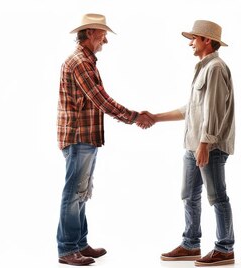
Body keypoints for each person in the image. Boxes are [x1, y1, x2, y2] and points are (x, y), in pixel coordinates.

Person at [56, 13, 154, 266]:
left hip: (85, 137)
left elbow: (98, 101)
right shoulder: (80, 62)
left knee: (80, 192)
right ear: (89, 33)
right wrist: (135, 117)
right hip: (79, 137)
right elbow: (101, 100)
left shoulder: (86, 60)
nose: (105, 41)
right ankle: (67, 250)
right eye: (103, 35)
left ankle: (79, 243)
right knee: (73, 193)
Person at [151, 20, 236, 267]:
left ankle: (225, 248)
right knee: (189, 194)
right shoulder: (203, 68)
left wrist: (204, 144)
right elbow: (192, 109)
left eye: (193, 38)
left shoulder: (216, 68)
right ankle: (191, 244)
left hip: (209, 146)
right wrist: (156, 117)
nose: (190, 43)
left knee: (217, 196)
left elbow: (215, 111)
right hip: (193, 144)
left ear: (206, 40)